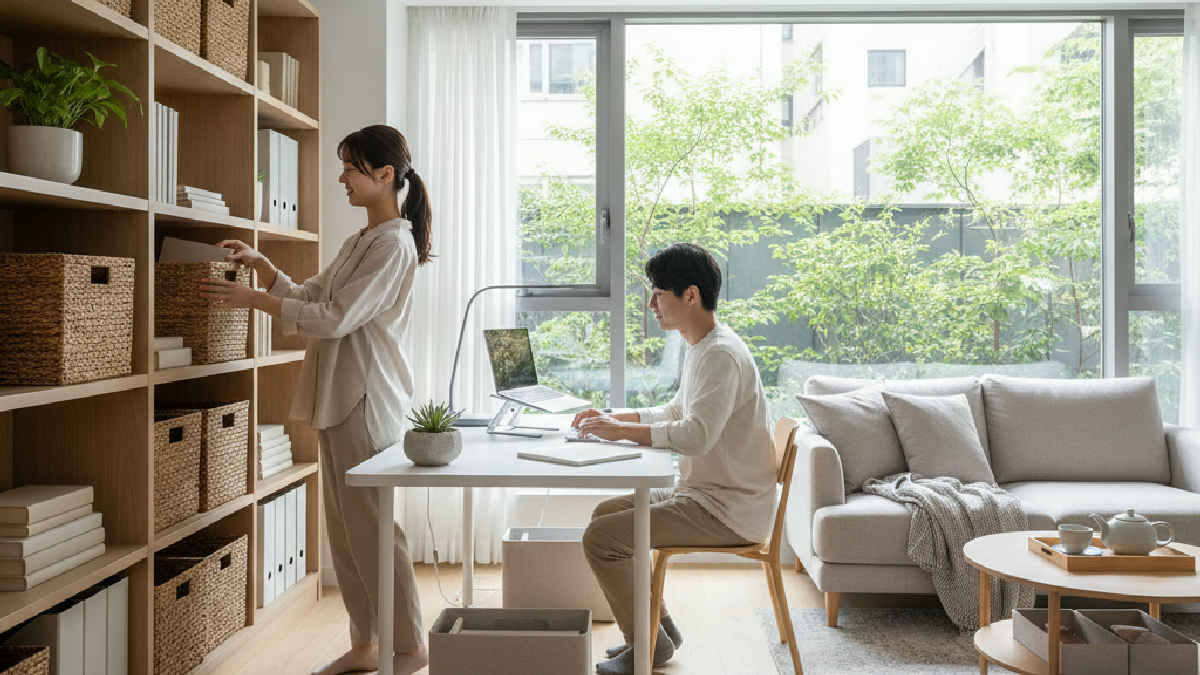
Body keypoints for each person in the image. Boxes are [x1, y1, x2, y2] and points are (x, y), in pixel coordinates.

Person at [199, 125, 430, 675]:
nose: (342, 178)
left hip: (366, 399)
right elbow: (313, 296)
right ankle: (368, 642)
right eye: (345, 167)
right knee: (347, 531)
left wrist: (254, 300)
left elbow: (336, 318)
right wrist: (266, 271)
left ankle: (410, 644)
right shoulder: (360, 241)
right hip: (339, 396)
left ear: (385, 176)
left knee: (373, 528)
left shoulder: (393, 245)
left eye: (352, 168)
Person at [573, 243, 778, 675]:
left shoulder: (720, 354)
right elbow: (676, 412)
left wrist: (624, 433)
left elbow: (697, 436)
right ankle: (660, 632)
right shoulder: (703, 345)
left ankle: (645, 647)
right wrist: (615, 418)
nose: (651, 304)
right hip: (707, 493)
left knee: (602, 539)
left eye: (658, 293)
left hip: (725, 509)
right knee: (605, 514)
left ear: (690, 295)